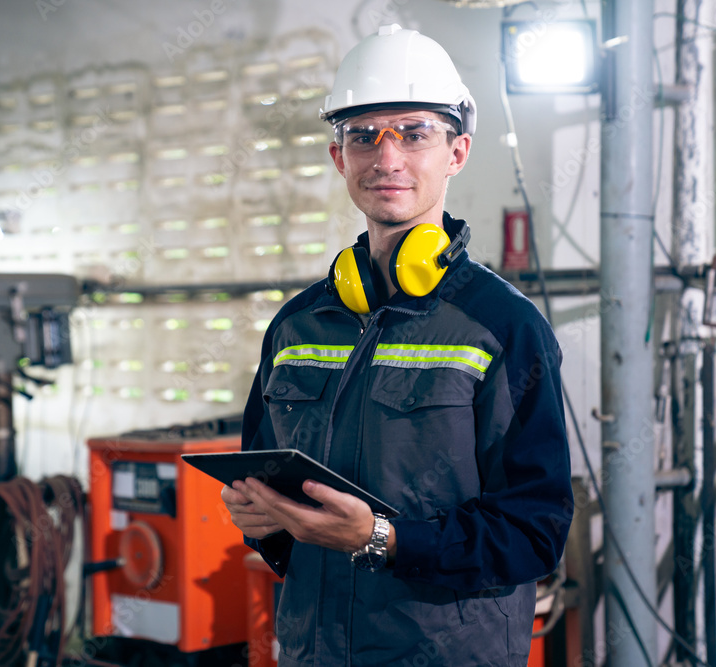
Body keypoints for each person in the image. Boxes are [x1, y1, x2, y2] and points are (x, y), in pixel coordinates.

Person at [222, 23, 572, 666]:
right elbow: (267, 484)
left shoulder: (504, 327)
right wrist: (261, 517)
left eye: (414, 133)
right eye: (363, 136)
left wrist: (384, 539)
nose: (387, 158)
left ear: (457, 152)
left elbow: (535, 533)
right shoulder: (297, 326)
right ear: (339, 158)